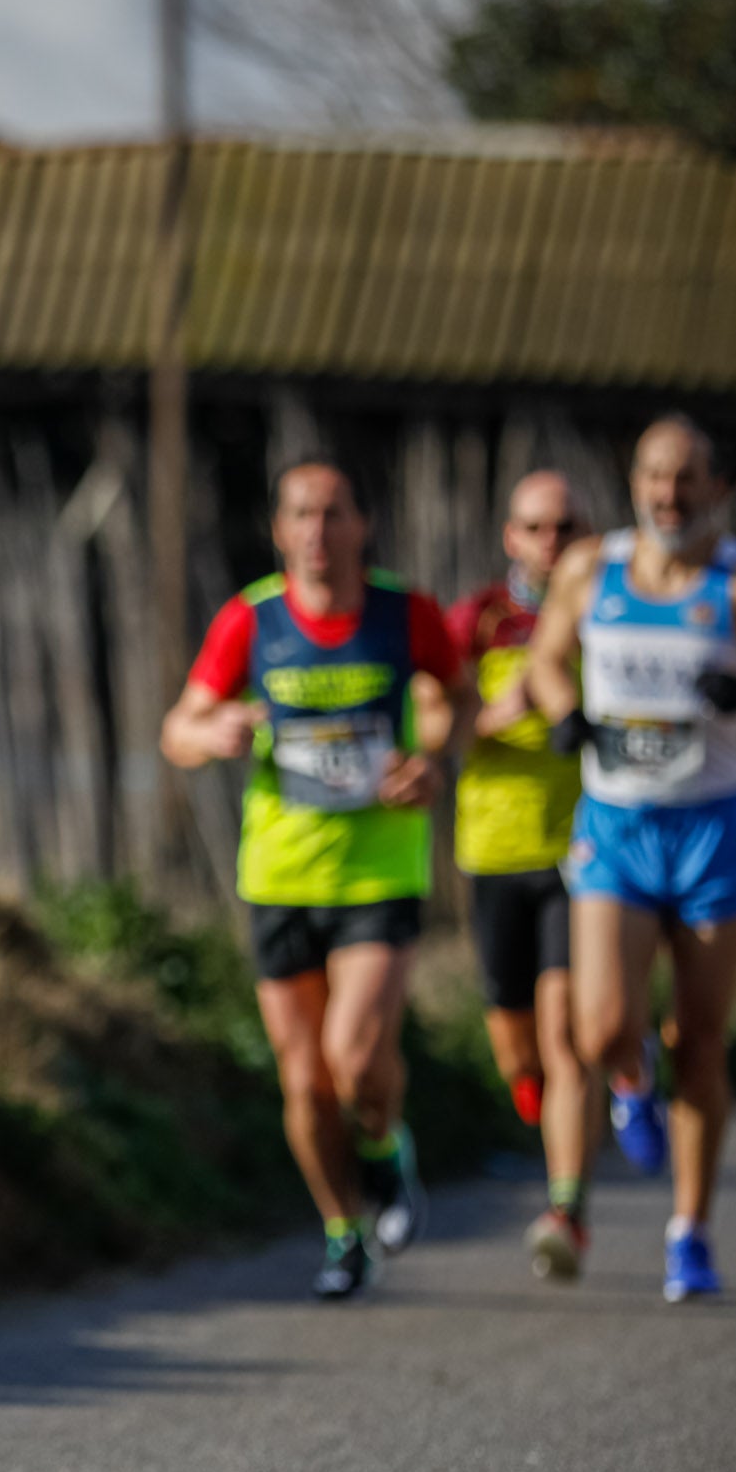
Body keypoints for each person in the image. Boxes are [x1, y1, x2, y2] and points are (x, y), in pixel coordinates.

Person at [527, 415, 736, 1303]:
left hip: (712, 827)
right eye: (657, 478)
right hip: (617, 826)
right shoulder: (592, 571)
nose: (671, 495)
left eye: (690, 479)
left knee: (701, 1041)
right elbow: (548, 662)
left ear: (719, 490)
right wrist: (563, 712)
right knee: (599, 1028)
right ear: (635, 483)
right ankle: (629, 1079)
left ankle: (689, 1232)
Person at [163, 463, 458, 1302]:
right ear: (280, 528)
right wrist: (210, 728)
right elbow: (176, 729)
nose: (317, 532)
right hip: (280, 873)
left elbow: (456, 695)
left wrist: (433, 760)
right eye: (301, 514)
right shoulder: (250, 620)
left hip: (378, 869)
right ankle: (341, 1230)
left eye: (334, 514)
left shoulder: (407, 613)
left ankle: (384, 1148)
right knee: (304, 1081)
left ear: (363, 525)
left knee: (356, 1057)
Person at [448, 470, 599, 1278]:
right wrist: (495, 716)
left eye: (566, 529)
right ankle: (554, 1112)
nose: (551, 545)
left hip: (580, 854)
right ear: (511, 537)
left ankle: (566, 1209)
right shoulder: (475, 621)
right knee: (518, 1052)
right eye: (536, 529)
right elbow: (436, 719)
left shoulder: (606, 616)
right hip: (494, 852)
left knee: (566, 1038)